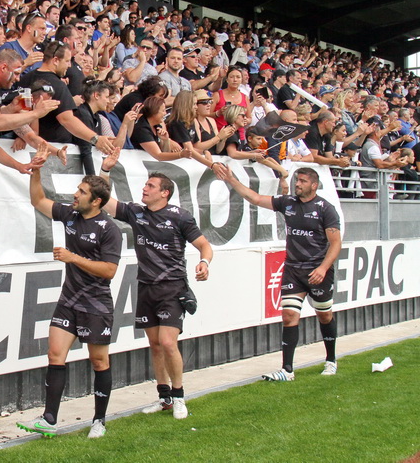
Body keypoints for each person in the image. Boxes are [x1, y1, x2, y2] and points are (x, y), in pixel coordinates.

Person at [99, 150, 213, 419]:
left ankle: (180, 395)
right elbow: (104, 202)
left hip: (172, 287)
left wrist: (205, 262)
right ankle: (164, 398)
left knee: (167, 342)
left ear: (165, 193)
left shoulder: (180, 216)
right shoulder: (136, 212)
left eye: (150, 186)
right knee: (155, 344)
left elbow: (204, 245)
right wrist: (105, 170)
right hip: (145, 286)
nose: (144, 189)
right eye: (145, 185)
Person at [17, 147, 121, 439]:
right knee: (54, 354)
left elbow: (110, 271)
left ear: (97, 201)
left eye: (82, 191)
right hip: (68, 300)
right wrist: (36, 170)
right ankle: (49, 418)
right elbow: (38, 199)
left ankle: (99, 420)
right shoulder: (71, 214)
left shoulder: (108, 229)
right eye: (77, 189)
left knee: (99, 361)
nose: (75, 194)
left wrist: (73, 258)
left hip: (96, 304)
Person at [219, 167, 342, 381]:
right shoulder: (288, 203)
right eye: (297, 180)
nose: (297, 184)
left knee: (324, 314)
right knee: (289, 316)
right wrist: (231, 179)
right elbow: (255, 198)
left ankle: (331, 360)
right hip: (293, 270)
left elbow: (336, 243)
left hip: (317, 271)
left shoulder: (325, 209)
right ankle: (287, 370)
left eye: (303, 181)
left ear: (314, 185)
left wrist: (322, 268)